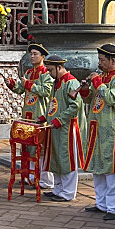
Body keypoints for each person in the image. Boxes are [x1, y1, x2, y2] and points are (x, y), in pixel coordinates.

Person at [80, 43, 115, 220]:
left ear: (112, 60)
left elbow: (112, 98)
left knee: (112, 169)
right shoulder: (102, 76)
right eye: (99, 60)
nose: (100, 63)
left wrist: (98, 83)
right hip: (97, 128)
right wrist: (85, 90)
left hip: (112, 129)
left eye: (103, 60)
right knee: (98, 167)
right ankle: (101, 203)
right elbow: (90, 100)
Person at [6, 43, 55, 190]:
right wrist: (12, 84)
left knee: (41, 148)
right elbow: (21, 90)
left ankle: (45, 180)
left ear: (43, 57)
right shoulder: (28, 73)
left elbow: (46, 91)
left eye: (35, 54)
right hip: (27, 114)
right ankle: (31, 176)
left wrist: (29, 85)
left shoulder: (47, 74)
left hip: (40, 115)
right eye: (31, 54)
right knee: (28, 147)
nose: (32, 56)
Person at [37, 54, 84, 202]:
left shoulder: (71, 83)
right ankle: (57, 189)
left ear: (59, 67)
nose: (49, 74)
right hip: (55, 127)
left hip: (67, 128)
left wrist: (60, 119)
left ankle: (68, 192)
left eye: (51, 70)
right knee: (55, 158)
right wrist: (45, 116)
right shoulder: (57, 82)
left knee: (67, 159)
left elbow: (75, 106)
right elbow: (52, 103)